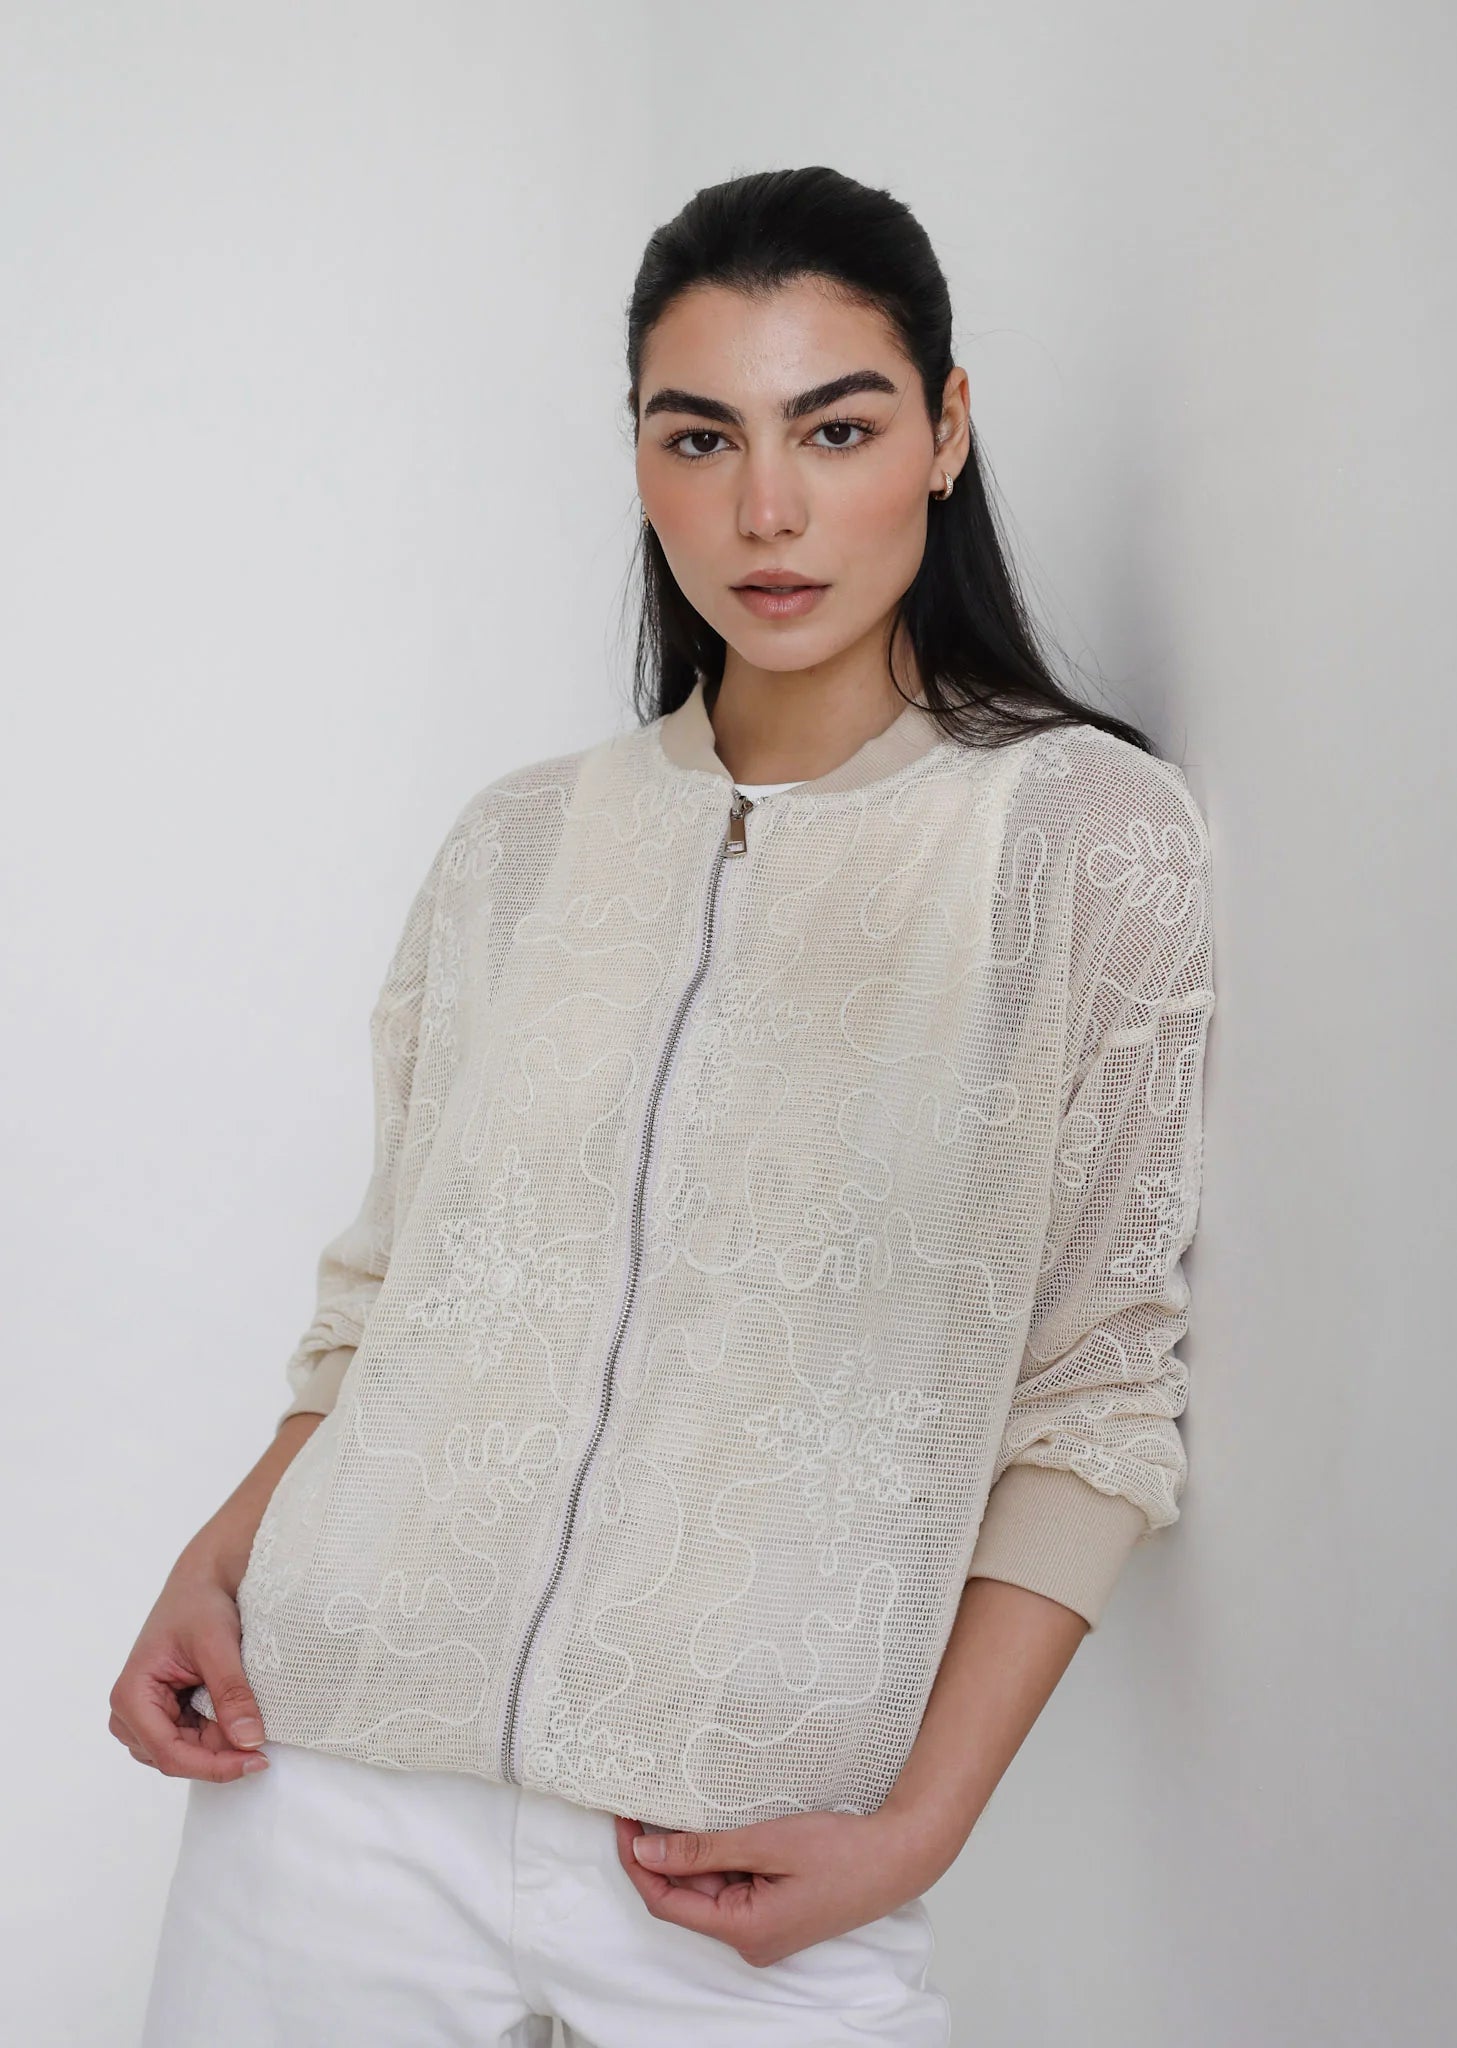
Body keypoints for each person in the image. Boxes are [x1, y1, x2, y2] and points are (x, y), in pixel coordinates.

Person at [117, 165, 1216, 2047]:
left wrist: (918, 1829)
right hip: (331, 1774)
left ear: (945, 432)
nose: (764, 510)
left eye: (835, 429)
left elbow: (1097, 1390)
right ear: (640, 454)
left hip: (752, 1844)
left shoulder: (1076, 839)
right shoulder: (518, 846)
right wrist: (216, 1560)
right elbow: (392, 1296)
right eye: (699, 437)